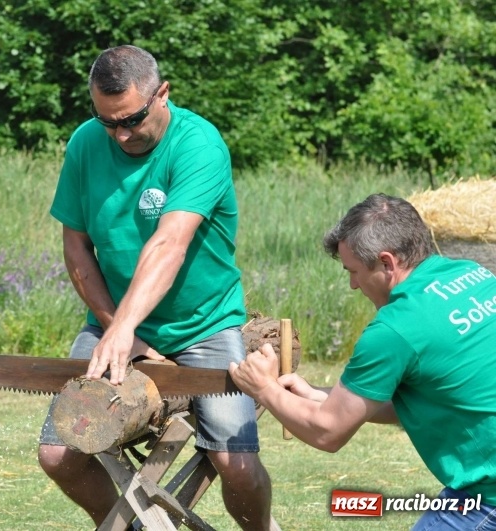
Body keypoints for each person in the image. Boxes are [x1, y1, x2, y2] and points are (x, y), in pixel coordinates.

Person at [37, 44, 273, 530]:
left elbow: (169, 244)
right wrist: (117, 327)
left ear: (162, 93)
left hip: (203, 325)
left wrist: (125, 330)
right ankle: (136, 527)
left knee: (237, 464)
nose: (120, 134)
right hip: (114, 323)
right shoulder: (84, 144)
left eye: (131, 119)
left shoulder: (198, 145)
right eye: (108, 122)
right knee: (59, 454)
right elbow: (77, 250)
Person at [229, 193, 496, 530]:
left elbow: (329, 433)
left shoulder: (395, 328)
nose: (353, 285)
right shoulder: (472, 275)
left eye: (352, 271)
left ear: (387, 263)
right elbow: (425, 398)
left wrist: (264, 387)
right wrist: (321, 396)